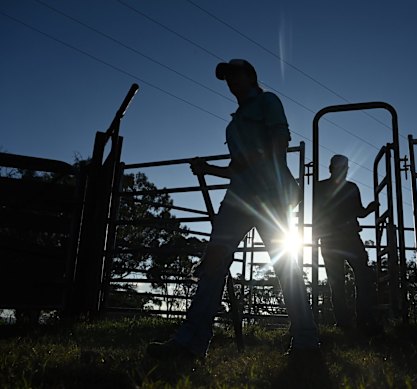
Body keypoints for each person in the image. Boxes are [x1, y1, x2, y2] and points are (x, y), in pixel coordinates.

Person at [148, 59, 319, 360]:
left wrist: (269, 170)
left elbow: (279, 141)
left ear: (251, 76)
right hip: (238, 199)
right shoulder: (233, 124)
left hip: (270, 196)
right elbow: (236, 169)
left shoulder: (267, 101)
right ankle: (190, 343)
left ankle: (306, 342)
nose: (230, 82)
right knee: (213, 263)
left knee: (285, 266)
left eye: (235, 75)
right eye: (227, 78)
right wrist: (207, 169)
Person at [314, 155, 381, 335]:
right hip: (347, 238)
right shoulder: (350, 188)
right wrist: (368, 209)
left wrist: (367, 209)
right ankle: (362, 320)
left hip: (331, 240)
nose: (344, 170)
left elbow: (316, 214)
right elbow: (359, 212)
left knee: (340, 283)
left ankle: (346, 323)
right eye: (343, 167)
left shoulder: (320, 187)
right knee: (361, 277)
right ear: (335, 168)